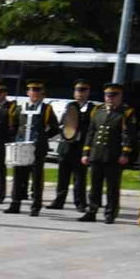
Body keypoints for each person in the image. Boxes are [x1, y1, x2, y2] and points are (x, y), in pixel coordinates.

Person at [80, 83, 136, 224]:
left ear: (120, 96)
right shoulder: (98, 110)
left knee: (112, 187)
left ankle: (110, 213)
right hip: (97, 153)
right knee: (94, 186)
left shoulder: (126, 112)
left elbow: (129, 135)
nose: (110, 98)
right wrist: (86, 152)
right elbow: (91, 132)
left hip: (113, 155)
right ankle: (92, 211)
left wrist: (125, 153)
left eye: (114, 95)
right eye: (107, 95)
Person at [5, 81, 59, 216]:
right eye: (31, 90)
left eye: (37, 90)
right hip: (21, 147)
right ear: (27, 92)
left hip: (37, 149)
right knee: (18, 177)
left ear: (42, 93)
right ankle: (15, 204)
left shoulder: (46, 109)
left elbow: (55, 128)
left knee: (36, 178)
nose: (34, 93)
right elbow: (14, 125)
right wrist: (16, 138)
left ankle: (35, 207)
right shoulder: (20, 108)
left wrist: (42, 138)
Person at [49, 81, 97, 211]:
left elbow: (92, 129)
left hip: (80, 147)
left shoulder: (92, 109)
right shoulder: (69, 106)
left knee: (79, 177)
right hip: (66, 146)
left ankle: (80, 203)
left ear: (88, 92)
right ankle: (59, 200)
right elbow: (62, 124)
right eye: (77, 90)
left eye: (83, 90)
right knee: (62, 176)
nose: (80, 93)